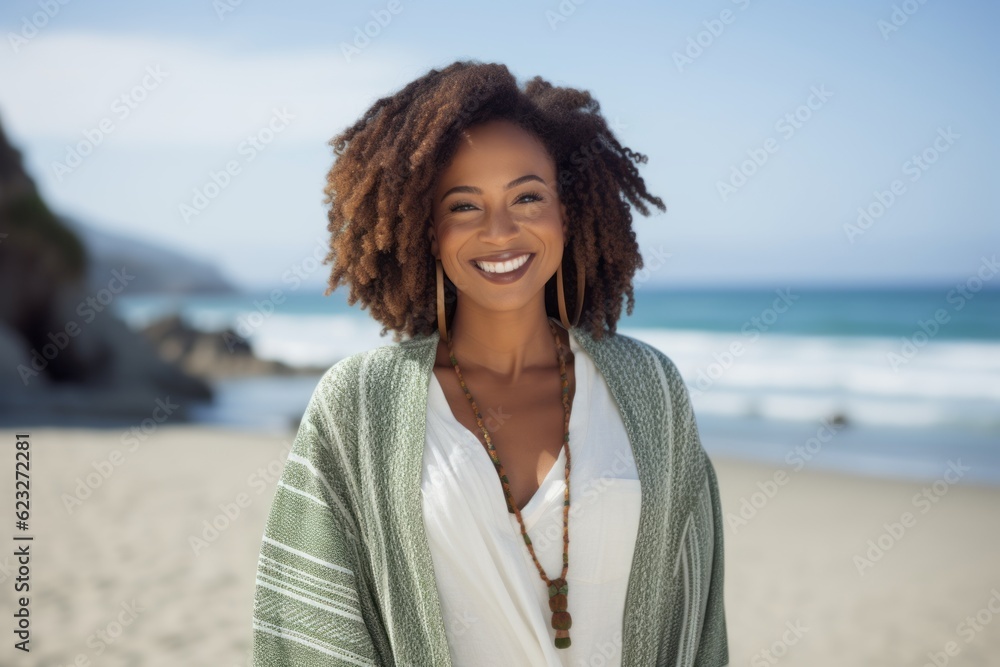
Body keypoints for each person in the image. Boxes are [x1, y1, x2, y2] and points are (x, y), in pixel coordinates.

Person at [251, 60, 728, 667]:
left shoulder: (649, 389)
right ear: (426, 229)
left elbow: (697, 613)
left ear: (567, 210)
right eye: (464, 206)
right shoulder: (361, 405)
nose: (501, 231)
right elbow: (308, 625)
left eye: (527, 196)